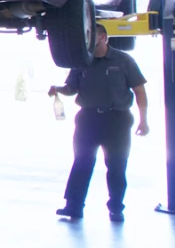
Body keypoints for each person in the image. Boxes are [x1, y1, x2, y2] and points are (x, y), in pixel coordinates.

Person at [48, 23, 150, 222]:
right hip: (88, 119)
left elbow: (139, 91)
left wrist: (143, 120)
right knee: (82, 162)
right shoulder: (80, 62)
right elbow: (71, 89)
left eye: (90, 35)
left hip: (117, 121)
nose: (85, 39)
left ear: (103, 37)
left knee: (117, 165)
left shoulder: (123, 60)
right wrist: (58, 89)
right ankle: (73, 206)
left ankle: (116, 208)